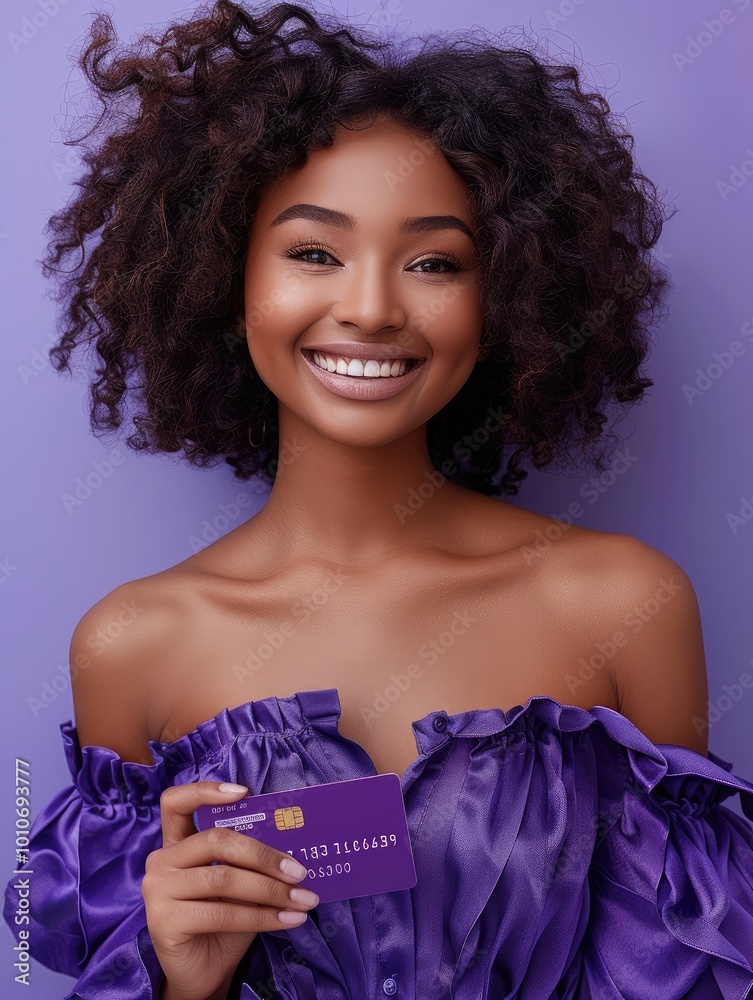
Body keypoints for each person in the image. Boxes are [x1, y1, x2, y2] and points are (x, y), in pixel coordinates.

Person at [5, 1, 753, 997]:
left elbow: (694, 970)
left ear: (510, 297)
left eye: (436, 261)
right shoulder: (131, 641)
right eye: (314, 252)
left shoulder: (626, 602)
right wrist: (185, 977)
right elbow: (52, 954)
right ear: (229, 279)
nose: (369, 306)